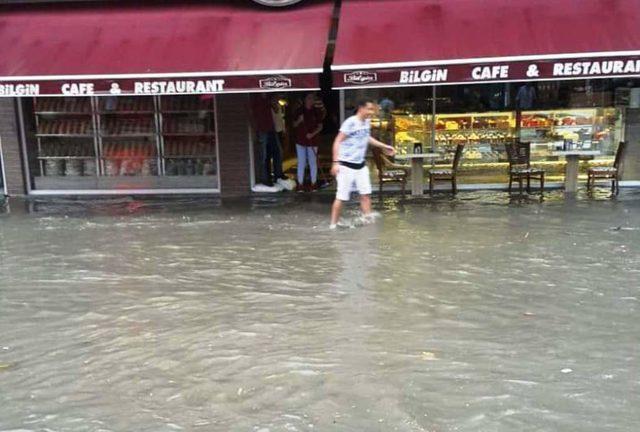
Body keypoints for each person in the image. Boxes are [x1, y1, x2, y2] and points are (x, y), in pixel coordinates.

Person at [329, 99, 395, 229]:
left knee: (365, 195)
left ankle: (368, 223)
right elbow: (337, 141)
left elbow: (366, 138)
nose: (372, 112)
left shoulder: (367, 122)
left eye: (373, 109)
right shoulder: (350, 123)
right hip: (346, 165)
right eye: (370, 109)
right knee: (341, 197)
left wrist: (384, 146)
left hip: (360, 166)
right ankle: (333, 224)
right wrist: (335, 162)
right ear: (361, 109)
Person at [250, 94, 284, 186]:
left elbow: (276, 110)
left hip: (271, 129)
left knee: (277, 152)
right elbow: (250, 112)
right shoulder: (256, 99)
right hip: (262, 130)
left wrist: (274, 103)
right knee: (264, 155)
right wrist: (255, 129)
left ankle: (278, 175)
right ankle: (265, 178)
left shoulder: (269, 98)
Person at [293, 93, 324, 192]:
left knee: (312, 162)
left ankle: (313, 184)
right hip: (300, 140)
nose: (311, 100)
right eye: (309, 98)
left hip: (312, 141)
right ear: (305, 99)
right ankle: (300, 184)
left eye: (313, 99)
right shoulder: (299, 111)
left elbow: (320, 126)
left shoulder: (316, 111)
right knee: (301, 162)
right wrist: (299, 120)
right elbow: (293, 125)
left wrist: (312, 134)